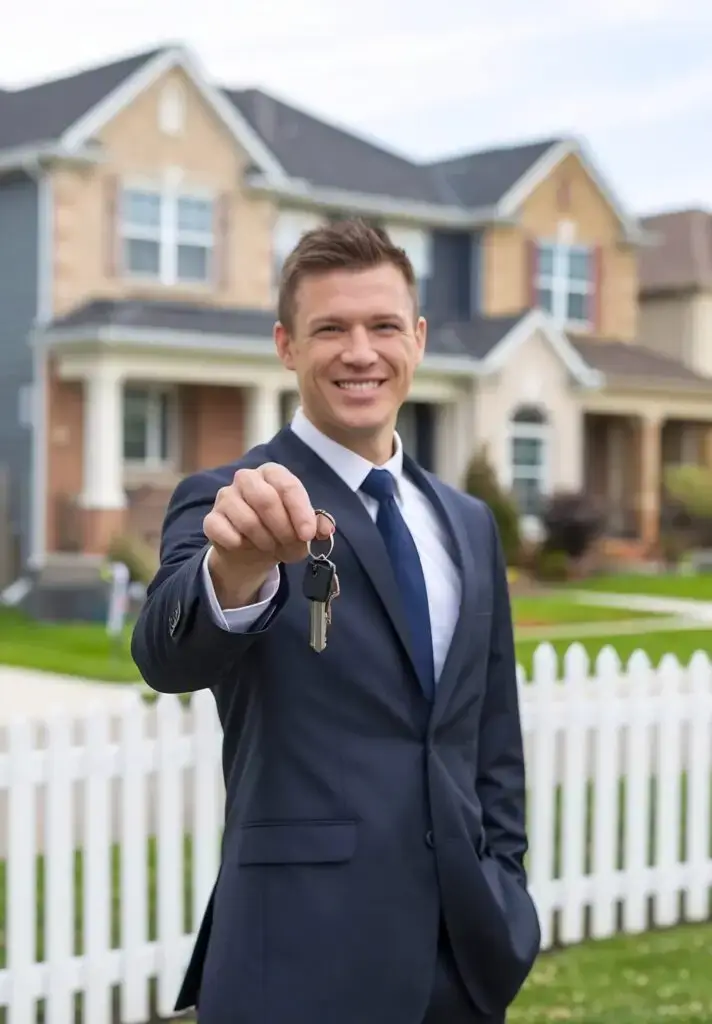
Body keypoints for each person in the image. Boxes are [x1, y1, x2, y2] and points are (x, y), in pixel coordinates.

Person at [131, 219, 540, 1024]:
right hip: (299, 960)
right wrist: (236, 567)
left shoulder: (466, 520)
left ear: (417, 340)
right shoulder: (232, 497)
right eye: (331, 329)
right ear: (287, 345)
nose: (361, 351)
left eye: (384, 326)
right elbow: (163, 655)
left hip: (463, 957)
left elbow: (491, 731)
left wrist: (507, 890)